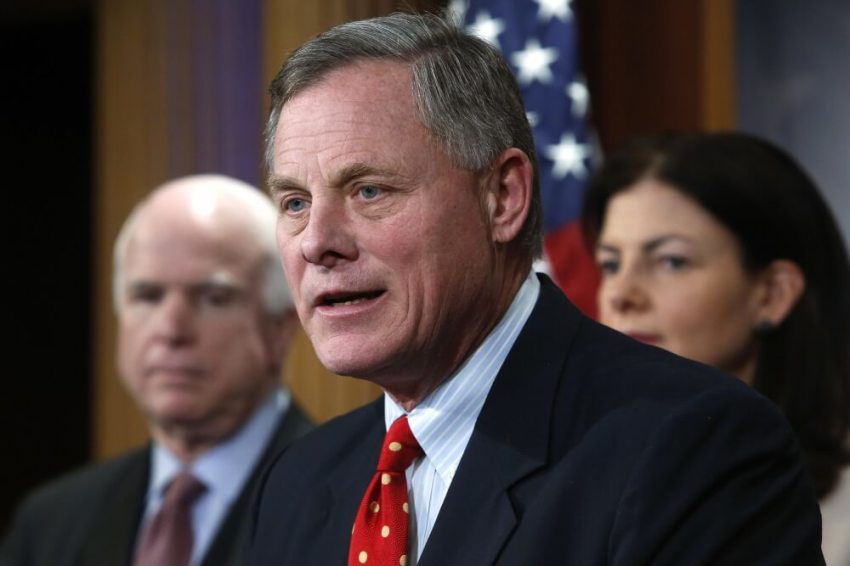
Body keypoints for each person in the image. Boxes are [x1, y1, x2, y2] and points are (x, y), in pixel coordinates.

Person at [249, 12, 824, 566]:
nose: (315, 242)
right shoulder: (295, 482)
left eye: (369, 191)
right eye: (295, 202)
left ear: (503, 198)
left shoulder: (692, 446)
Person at [1, 174, 313, 566]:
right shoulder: (49, 523)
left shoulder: (347, 502)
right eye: (147, 296)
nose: (171, 330)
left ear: (279, 329)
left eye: (213, 298)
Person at [581, 131, 850, 565]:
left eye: (671, 261)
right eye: (611, 264)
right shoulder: (577, 473)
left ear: (772, 294)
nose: (620, 295)